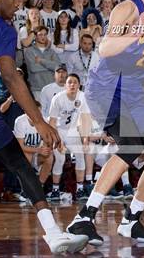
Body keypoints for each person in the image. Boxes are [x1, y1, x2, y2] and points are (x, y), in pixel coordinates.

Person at [65, 0, 144, 246]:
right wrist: (138, 31)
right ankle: (84, 217)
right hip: (108, 88)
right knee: (130, 145)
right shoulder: (127, 9)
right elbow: (105, 47)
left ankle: (131, 218)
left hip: (136, 92)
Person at [0, 0, 87, 254]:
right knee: (20, 165)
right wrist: (40, 121)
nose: (17, 2)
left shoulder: (4, 29)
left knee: (20, 163)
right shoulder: (4, 30)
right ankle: (53, 234)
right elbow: (10, 76)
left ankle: (54, 233)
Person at [48, 73, 90, 201]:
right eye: (69, 82)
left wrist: (85, 140)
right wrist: (57, 141)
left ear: (79, 85)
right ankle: (55, 190)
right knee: (60, 159)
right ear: (65, 85)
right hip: (59, 130)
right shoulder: (58, 98)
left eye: (75, 82)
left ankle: (80, 189)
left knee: (80, 157)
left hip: (73, 131)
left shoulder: (83, 97)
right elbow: (52, 122)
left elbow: (85, 120)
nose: (72, 84)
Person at [14, 101, 54, 193]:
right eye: (34, 112)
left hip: (37, 152)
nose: (37, 115)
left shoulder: (44, 120)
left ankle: (39, 188)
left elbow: (47, 141)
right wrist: (38, 150)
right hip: (24, 152)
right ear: (26, 112)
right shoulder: (20, 121)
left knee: (49, 156)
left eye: (38, 112)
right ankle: (25, 190)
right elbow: (20, 146)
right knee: (27, 155)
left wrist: (45, 148)